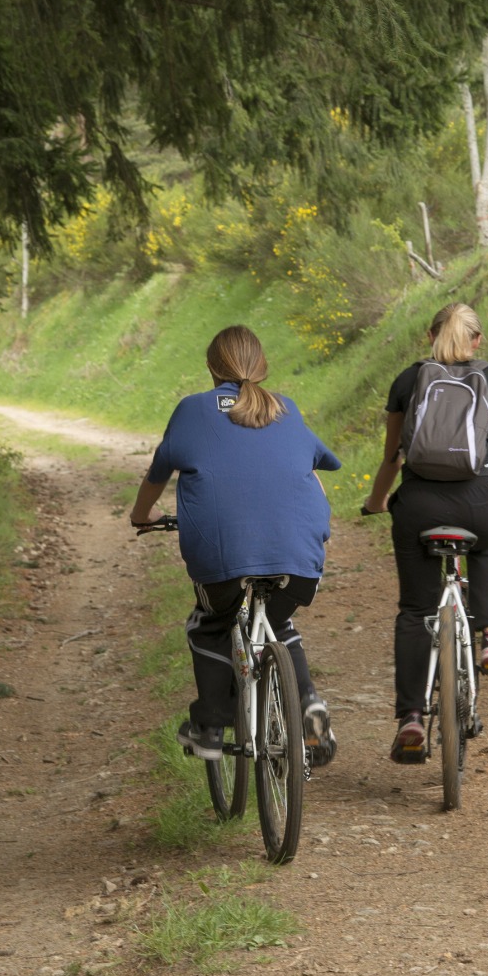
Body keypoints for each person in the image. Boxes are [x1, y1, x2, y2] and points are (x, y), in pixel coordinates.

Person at [129, 325, 339, 765]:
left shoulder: (192, 409)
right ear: (262, 366)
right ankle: (308, 704)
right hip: (300, 558)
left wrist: (141, 516)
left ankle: (209, 727)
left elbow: (158, 472)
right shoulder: (285, 408)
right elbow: (317, 467)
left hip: (224, 558)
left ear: (211, 367)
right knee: (278, 621)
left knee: (208, 623)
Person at [360, 302, 488, 763]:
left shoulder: (408, 380)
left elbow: (393, 458)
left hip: (419, 505)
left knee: (415, 609)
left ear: (430, 336)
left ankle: (411, 717)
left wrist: (377, 501)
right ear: (478, 340)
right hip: (481, 500)